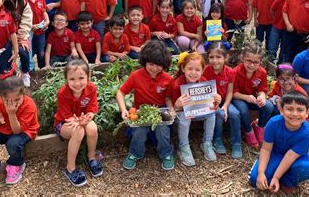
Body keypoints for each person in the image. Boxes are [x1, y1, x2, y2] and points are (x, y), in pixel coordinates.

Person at [116, 40, 174, 170]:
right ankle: (135, 153)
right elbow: (120, 92)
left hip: (159, 112)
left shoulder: (167, 79)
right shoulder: (136, 76)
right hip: (140, 112)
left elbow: (168, 97)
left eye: (159, 65)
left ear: (164, 65)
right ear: (144, 62)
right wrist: (123, 109)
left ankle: (166, 154)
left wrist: (170, 109)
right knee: (139, 131)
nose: (154, 68)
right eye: (151, 64)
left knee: (162, 129)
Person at [0, 76, 39, 185]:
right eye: (8, 100)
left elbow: (17, 131)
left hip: (25, 131)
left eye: (17, 99)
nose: (13, 103)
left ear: (23, 94)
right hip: (5, 129)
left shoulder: (29, 105)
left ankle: (16, 164)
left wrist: (11, 114)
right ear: (1, 97)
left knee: (13, 144)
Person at [249, 92, 309, 195]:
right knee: (254, 180)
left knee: (305, 169)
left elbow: (290, 156)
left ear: (307, 112)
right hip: (275, 153)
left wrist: (276, 177)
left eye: (300, 110)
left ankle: (287, 181)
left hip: (296, 158)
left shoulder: (308, 133)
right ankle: (275, 173)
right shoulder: (273, 123)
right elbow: (266, 149)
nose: (294, 114)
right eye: (289, 109)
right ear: (282, 110)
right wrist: (261, 173)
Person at [166, 52, 221, 166]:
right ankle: (183, 146)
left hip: (197, 111)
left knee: (212, 113)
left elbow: (209, 104)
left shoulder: (204, 82)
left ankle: (207, 142)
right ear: (183, 68)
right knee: (184, 117)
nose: (193, 73)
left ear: (202, 70)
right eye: (190, 69)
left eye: (197, 70)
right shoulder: (177, 84)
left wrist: (216, 100)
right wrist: (176, 106)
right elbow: (168, 100)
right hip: (181, 113)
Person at [54, 60, 102, 186]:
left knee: (92, 128)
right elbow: (66, 116)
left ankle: (91, 158)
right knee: (78, 130)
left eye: (81, 78)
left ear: (88, 76)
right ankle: (70, 168)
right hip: (64, 123)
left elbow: (92, 109)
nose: (77, 83)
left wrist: (89, 116)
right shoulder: (62, 93)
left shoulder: (91, 88)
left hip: (82, 119)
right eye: (72, 79)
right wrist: (78, 122)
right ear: (66, 79)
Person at [202, 42, 242, 158]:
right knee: (218, 113)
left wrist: (225, 106)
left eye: (218, 57)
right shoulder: (205, 71)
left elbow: (230, 92)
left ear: (226, 57)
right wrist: (217, 106)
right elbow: (203, 90)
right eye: (211, 57)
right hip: (211, 102)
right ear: (207, 58)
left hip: (225, 100)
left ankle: (236, 142)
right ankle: (217, 139)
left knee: (235, 113)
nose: (215, 60)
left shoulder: (230, 72)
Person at [232, 43, 275, 149]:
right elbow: (232, 93)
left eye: (255, 62)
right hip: (239, 98)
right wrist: (246, 97)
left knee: (268, 106)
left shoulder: (262, 72)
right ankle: (248, 130)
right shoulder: (236, 72)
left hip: (253, 99)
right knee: (242, 109)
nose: (252, 65)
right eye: (248, 61)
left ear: (260, 62)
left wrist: (262, 96)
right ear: (243, 58)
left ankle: (260, 127)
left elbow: (262, 89)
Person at [0, 0, 33, 87]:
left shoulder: (22, 3)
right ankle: (8, 75)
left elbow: (27, 20)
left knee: (23, 51)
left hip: (19, 35)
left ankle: (25, 72)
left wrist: (22, 36)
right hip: (3, 36)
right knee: (6, 55)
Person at [22, 0, 50, 70]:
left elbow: (44, 11)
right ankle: (29, 71)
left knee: (41, 52)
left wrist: (47, 21)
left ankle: (42, 70)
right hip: (27, 32)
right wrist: (30, 27)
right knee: (28, 52)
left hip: (40, 31)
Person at [267, 0, 297, 64]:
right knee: (272, 46)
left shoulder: (295, 1)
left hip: (288, 30)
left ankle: (280, 65)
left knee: (284, 49)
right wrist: (276, 19)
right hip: (276, 27)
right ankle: (270, 63)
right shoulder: (279, 0)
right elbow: (272, 11)